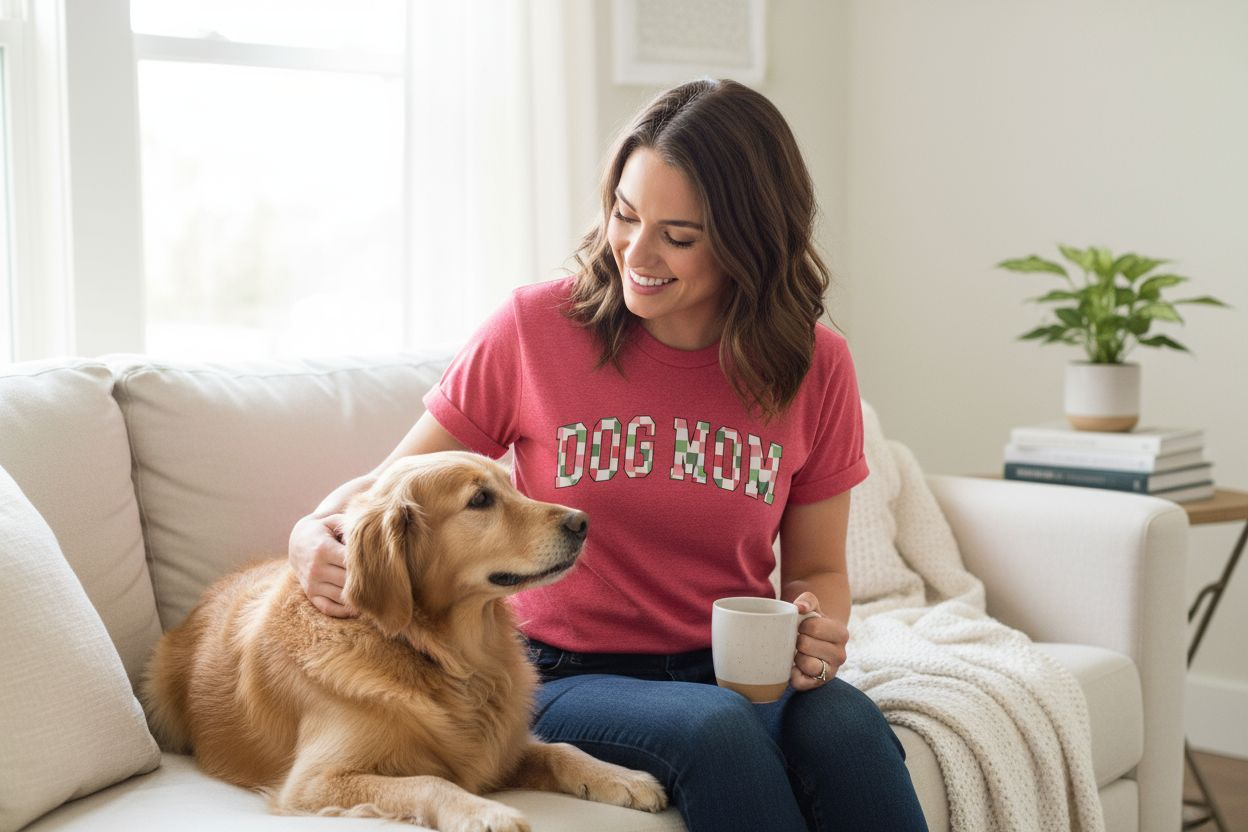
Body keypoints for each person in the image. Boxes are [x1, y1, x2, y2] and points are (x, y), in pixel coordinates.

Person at [289, 78, 927, 831]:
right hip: (562, 671)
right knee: (715, 732)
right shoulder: (534, 329)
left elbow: (818, 570)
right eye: (625, 214)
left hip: (732, 669)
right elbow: (391, 490)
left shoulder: (816, 364)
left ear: (750, 242)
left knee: (849, 729)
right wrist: (308, 537)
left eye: (678, 236)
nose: (636, 252)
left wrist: (816, 635)